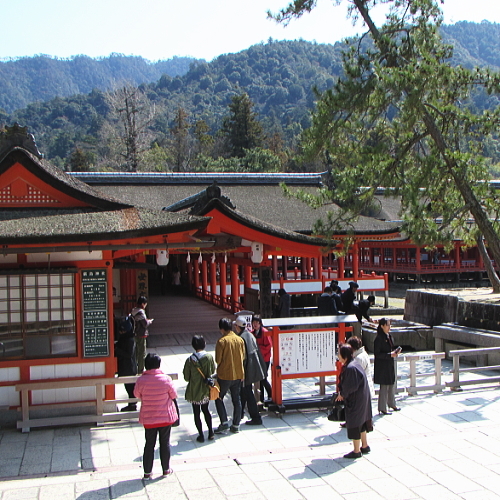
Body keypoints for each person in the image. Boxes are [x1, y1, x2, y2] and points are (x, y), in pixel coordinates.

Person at [134, 353, 178, 479]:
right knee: (165, 443)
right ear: (158, 365)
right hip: (165, 417)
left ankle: (147, 472)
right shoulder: (166, 379)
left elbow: (136, 394)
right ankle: (166, 469)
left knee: (149, 444)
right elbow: (174, 395)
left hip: (149, 418)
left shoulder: (141, 380)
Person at [335, 343, 373, 459]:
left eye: (339, 354)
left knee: (355, 423)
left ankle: (356, 450)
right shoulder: (355, 364)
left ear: (344, 356)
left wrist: (342, 395)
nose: (338, 356)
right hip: (363, 397)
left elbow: (350, 386)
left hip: (356, 400)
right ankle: (364, 445)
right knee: (362, 422)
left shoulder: (351, 368)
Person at [214, 317, 246, 434]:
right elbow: (243, 357)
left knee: (219, 397)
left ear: (222, 329)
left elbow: (218, 360)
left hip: (225, 375)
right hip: (238, 374)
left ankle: (224, 422)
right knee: (236, 399)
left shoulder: (221, 341)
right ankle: (236, 424)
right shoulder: (239, 340)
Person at [233, 317, 266, 426]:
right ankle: (240, 413)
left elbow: (241, 357)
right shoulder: (250, 335)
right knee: (243, 391)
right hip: (254, 366)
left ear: (237, 326)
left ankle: (256, 417)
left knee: (247, 392)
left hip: (246, 369)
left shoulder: (240, 338)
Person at [183, 335, 215, 442]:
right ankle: (210, 432)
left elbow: (186, 377)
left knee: (196, 413)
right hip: (205, 389)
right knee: (206, 411)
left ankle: (201, 435)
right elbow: (212, 371)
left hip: (194, 390)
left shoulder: (190, 360)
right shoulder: (209, 357)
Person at [374, 318, 402, 415]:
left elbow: (391, 348)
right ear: (382, 326)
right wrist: (390, 354)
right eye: (387, 325)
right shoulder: (379, 338)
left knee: (391, 384)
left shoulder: (389, 336)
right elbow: (377, 354)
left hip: (389, 363)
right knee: (384, 386)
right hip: (382, 365)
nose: (389, 327)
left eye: (390, 325)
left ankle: (392, 404)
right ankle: (382, 407)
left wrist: (395, 352)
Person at [114, 315, 137, 412]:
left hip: (129, 367)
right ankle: (131, 404)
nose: (120, 333)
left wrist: (117, 350)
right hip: (125, 366)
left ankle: (132, 405)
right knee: (128, 387)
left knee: (130, 388)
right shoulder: (123, 338)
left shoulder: (130, 340)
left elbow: (129, 354)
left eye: (122, 331)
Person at [251, 314, 272, 402]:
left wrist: (258, 349)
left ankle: (271, 394)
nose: (255, 324)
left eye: (257, 322)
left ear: (260, 323)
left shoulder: (264, 332)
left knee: (263, 378)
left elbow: (268, 346)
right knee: (259, 379)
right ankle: (261, 398)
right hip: (257, 359)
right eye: (253, 322)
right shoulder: (252, 333)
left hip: (264, 359)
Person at [131, 296, 154, 373]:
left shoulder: (133, 310)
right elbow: (144, 324)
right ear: (143, 304)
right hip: (141, 334)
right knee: (142, 353)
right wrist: (149, 321)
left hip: (134, 333)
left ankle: (134, 368)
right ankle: (140, 370)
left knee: (136, 352)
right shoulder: (141, 312)